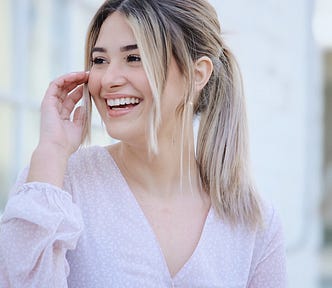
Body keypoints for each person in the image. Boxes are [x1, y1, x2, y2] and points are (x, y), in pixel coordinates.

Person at [0, 0, 287, 287]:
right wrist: (52, 150)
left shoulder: (255, 223)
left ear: (197, 75)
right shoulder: (54, 186)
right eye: (100, 60)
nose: (108, 79)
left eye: (134, 58)